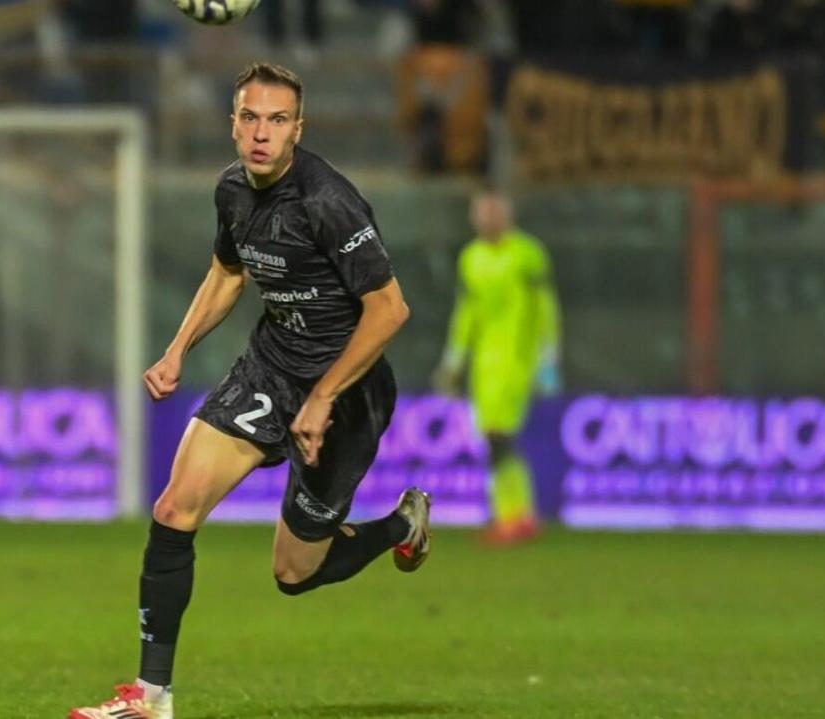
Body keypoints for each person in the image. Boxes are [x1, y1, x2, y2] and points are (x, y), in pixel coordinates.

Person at [70, 62, 432, 719]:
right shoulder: (232, 190)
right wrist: (178, 348)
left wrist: (323, 398)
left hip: (346, 394)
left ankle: (401, 525)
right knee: (174, 508)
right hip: (270, 370)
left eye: (277, 120)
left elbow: (390, 309)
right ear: (233, 124)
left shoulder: (327, 201)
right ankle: (151, 697)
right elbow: (228, 273)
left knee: (294, 572)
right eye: (251, 118)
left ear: (298, 129)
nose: (262, 133)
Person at [432, 187, 560, 545]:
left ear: (507, 214)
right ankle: (519, 515)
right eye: (481, 211)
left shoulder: (528, 254)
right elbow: (466, 314)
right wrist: (453, 360)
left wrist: (548, 360)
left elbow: (546, 309)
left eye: (493, 211)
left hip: (518, 360)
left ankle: (513, 516)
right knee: (494, 439)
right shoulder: (470, 257)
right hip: (483, 364)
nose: (487, 218)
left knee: (499, 436)